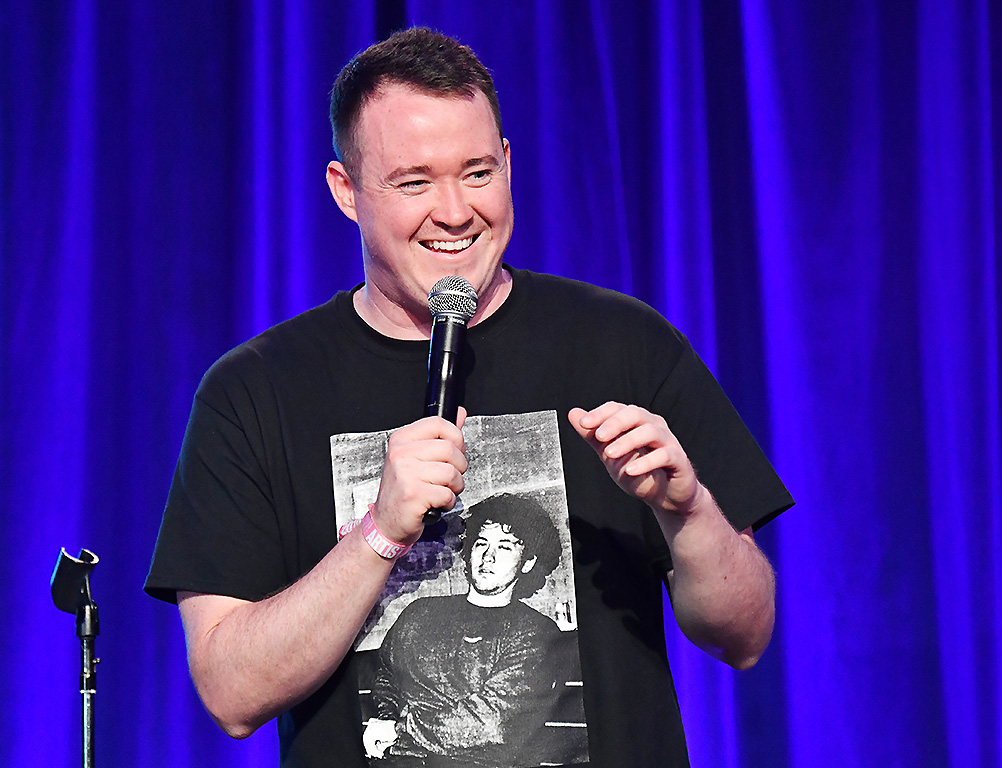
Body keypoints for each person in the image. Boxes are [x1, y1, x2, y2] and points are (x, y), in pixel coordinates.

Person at [145, 26, 793, 768]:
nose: (455, 212)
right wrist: (380, 533)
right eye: (414, 182)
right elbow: (231, 692)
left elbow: (745, 635)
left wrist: (689, 512)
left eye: (478, 173)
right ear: (346, 191)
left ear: (509, 163)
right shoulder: (254, 392)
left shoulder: (627, 345)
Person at [364, 493, 574, 767]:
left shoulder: (536, 632)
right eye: (481, 543)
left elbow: (491, 721)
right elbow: (386, 674)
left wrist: (399, 729)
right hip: (392, 757)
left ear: (528, 562)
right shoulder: (420, 612)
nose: (488, 556)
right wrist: (385, 717)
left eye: (505, 547)